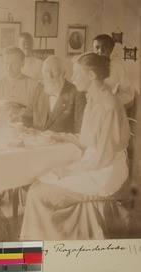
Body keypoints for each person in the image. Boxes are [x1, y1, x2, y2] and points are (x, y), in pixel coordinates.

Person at [20, 53, 130, 240]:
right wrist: (59, 136)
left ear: (92, 76)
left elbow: (104, 155)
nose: (72, 78)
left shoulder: (109, 104)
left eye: (77, 74)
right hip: (93, 163)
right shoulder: (92, 99)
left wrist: (69, 172)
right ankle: (45, 241)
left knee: (38, 193)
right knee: (39, 182)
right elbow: (88, 140)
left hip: (105, 171)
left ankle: (43, 245)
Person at [32, 56, 86, 134]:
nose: (49, 76)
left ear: (63, 73)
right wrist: (20, 119)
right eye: (46, 71)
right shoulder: (39, 89)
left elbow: (79, 130)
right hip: (36, 142)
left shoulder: (77, 93)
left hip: (62, 144)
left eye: (54, 71)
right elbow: (29, 113)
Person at [0, 46, 39, 126]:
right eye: (6, 63)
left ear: (22, 63)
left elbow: (40, 116)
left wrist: (20, 110)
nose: (9, 68)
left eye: (13, 64)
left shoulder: (34, 86)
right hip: (0, 133)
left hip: (25, 133)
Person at [93, 34, 134, 107]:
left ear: (111, 49)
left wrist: (113, 99)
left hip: (111, 108)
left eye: (105, 47)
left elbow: (129, 94)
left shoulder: (118, 68)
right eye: (97, 47)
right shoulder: (88, 67)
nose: (100, 51)